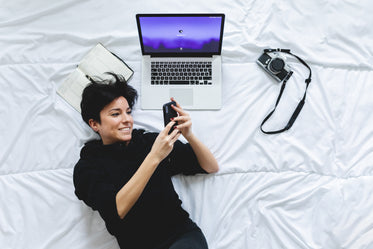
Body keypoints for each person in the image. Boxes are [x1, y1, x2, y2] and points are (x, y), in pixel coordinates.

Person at [73, 73, 219, 249]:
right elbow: (117, 209)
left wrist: (189, 134)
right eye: (115, 114)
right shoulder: (88, 167)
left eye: (128, 112)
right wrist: (154, 157)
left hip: (180, 236)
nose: (127, 119)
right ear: (94, 124)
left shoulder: (148, 142)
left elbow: (210, 166)